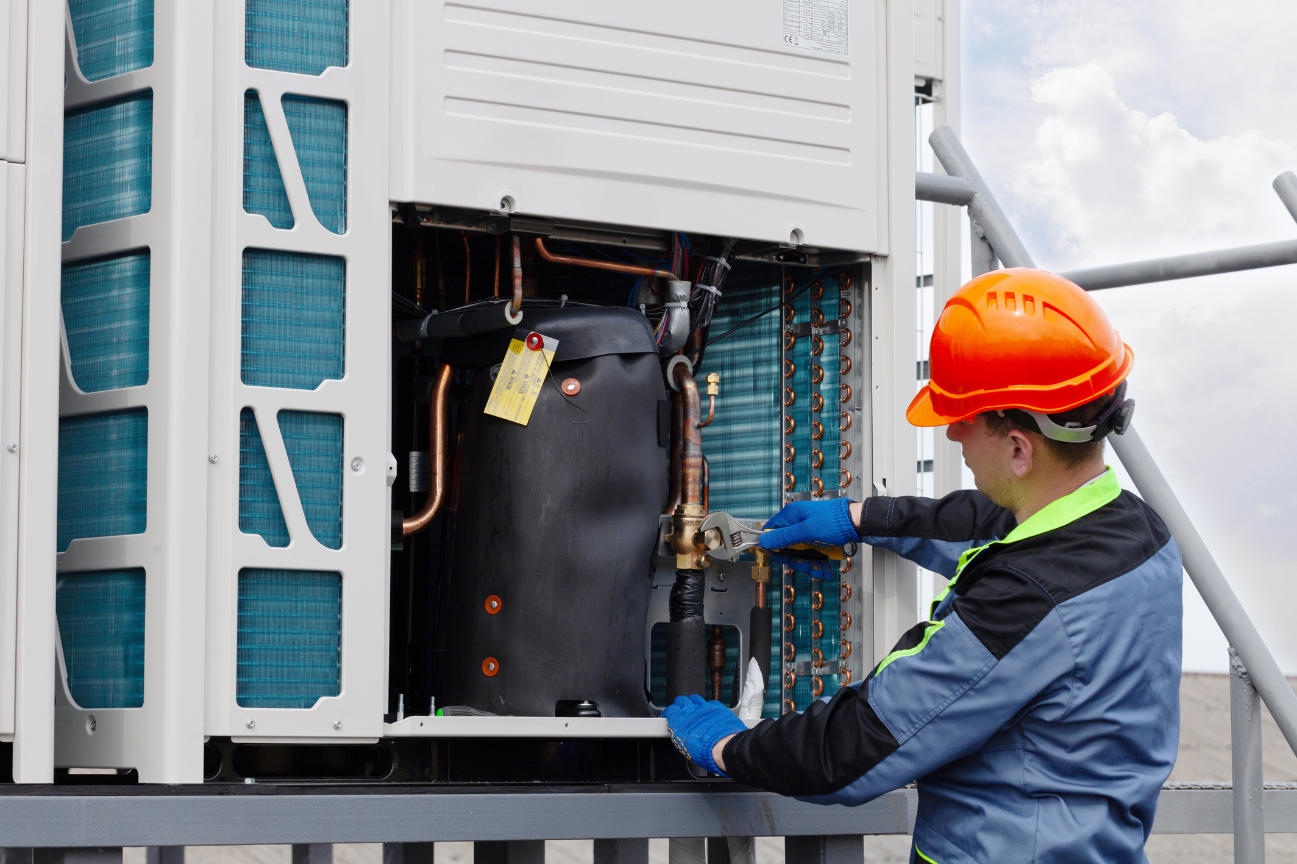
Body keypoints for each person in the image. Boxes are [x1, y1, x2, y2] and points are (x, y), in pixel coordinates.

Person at [664, 269, 1182, 864]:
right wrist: (862, 517)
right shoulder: (1139, 533)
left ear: (1019, 448)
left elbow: (862, 743)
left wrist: (729, 745)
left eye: (965, 417)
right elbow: (987, 524)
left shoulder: (1028, 602)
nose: (954, 431)